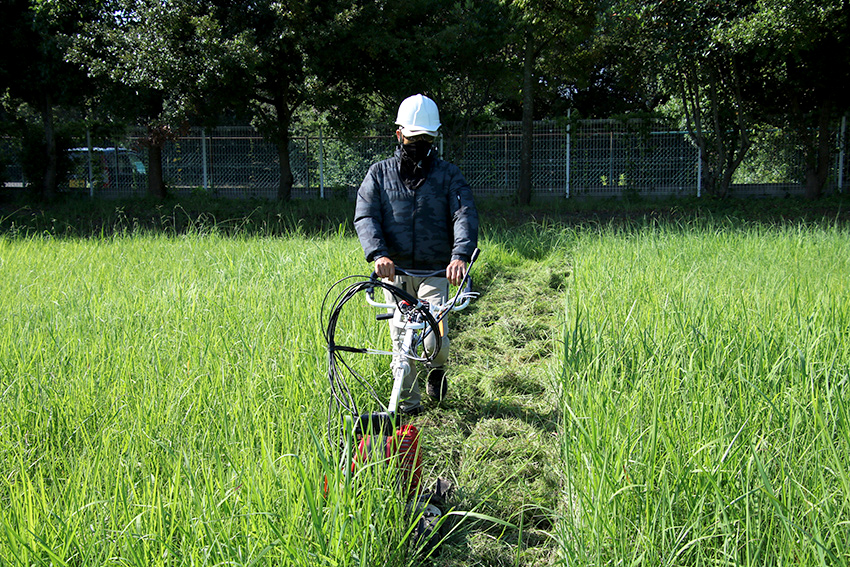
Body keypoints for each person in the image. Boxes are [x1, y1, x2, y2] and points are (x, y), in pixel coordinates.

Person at [354, 94, 479, 415]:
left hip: (437, 269)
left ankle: (437, 369)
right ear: (399, 135)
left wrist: (460, 255)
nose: (419, 143)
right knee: (401, 342)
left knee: (432, 339)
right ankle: (409, 408)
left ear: (434, 138)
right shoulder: (379, 174)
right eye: (413, 137)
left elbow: (463, 214)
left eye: (426, 138)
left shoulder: (449, 175)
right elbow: (366, 216)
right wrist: (377, 254)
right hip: (394, 273)